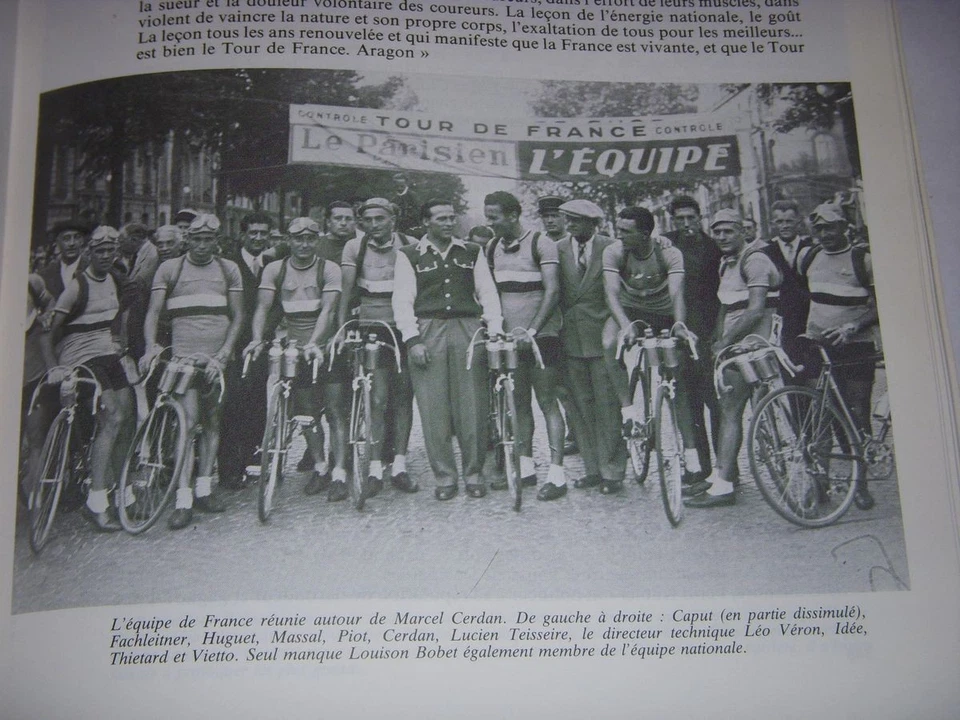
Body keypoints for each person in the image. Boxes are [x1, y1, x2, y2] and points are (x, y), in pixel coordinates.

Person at [392, 199, 503, 500]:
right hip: (428, 330)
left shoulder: (471, 251)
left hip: (467, 328)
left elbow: (488, 293)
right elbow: (402, 300)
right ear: (425, 222)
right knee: (433, 406)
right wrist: (412, 340)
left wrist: (494, 332)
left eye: (451, 218)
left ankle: (474, 473)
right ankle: (445, 477)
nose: (448, 223)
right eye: (440, 218)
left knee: (473, 405)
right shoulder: (409, 255)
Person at [141, 214, 245, 529]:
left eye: (208, 240)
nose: (202, 245)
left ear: (217, 241)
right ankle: (183, 498)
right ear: (188, 241)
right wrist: (150, 347)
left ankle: (204, 488)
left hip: (216, 360)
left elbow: (238, 316)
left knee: (213, 422)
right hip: (183, 359)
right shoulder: (170, 269)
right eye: (196, 239)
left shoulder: (229, 269)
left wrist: (225, 354)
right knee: (187, 425)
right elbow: (153, 312)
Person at [37, 226, 136, 531]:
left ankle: (123, 493)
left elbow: (117, 317)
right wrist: (54, 368)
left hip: (106, 353)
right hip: (78, 357)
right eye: (100, 251)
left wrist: (120, 341)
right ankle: (96, 502)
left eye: (111, 250)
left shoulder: (115, 280)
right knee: (112, 418)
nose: (106, 256)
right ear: (89, 253)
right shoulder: (78, 286)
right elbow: (46, 334)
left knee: (131, 416)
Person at [245, 217, 349, 500]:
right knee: (306, 414)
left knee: (336, 411)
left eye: (310, 239)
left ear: (317, 241)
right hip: (294, 348)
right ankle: (320, 467)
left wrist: (315, 343)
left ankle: (340, 473)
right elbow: (262, 308)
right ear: (288, 241)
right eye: (298, 239)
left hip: (324, 347)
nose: (304, 244)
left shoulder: (329, 269)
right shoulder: (274, 270)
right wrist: (256, 339)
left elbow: (328, 311)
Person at [685, 209, 781, 509]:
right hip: (734, 349)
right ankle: (722, 478)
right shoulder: (727, 263)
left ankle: (730, 481)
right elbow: (726, 306)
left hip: (754, 346)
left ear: (743, 231)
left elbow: (754, 310)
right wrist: (717, 337)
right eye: (717, 232)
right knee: (730, 410)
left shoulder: (756, 260)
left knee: (751, 411)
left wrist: (725, 341)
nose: (722, 237)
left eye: (728, 231)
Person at [601, 206, 702, 485]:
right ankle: (628, 413)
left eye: (626, 231)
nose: (619, 235)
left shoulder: (669, 253)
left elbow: (677, 293)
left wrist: (679, 324)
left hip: (663, 311)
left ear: (645, 233)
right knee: (609, 341)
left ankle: (692, 458)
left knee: (675, 379)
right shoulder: (615, 251)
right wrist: (625, 326)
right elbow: (611, 293)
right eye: (618, 229)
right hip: (630, 310)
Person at [484, 191, 567, 501]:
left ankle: (557, 475)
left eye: (494, 217)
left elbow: (553, 290)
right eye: (487, 216)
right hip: (509, 340)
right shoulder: (492, 247)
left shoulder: (540, 243)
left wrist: (532, 330)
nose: (489, 223)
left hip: (541, 336)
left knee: (546, 401)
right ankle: (526, 468)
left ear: (513, 215)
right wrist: (498, 328)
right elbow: (491, 293)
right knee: (517, 403)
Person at [796, 202, 880, 510]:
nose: (824, 233)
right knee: (817, 417)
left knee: (857, 414)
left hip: (856, 347)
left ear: (844, 227)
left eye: (830, 227)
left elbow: (881, 303)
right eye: (818, 228)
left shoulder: (863, 259)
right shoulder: (809, 257)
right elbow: (799, 299)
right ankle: (820, 485)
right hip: (819, 346)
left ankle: (860, 484)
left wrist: (853, 326)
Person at [339, 198, 418, 495]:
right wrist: (343, 330)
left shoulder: (411, 244)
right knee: (377, 399)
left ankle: (399, 465)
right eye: (368, 220)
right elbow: (346, 294)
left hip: (402, 329)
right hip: (370, 329)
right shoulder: (354, 247)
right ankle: (374, 468)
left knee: (403, 397)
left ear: (393, 220)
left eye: (380, 219)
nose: (373, 225)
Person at [556, 199, 626, 494]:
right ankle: (593, 469)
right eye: (567, 220)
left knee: (607, 405)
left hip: (601, 337)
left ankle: (613, 471)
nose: (569, 226)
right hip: (570, 338)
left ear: (592, 224)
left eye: (575, 221)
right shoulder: (557, 249)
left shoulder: (613, 247)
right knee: (579, 406)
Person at [662, 195, 723, 484]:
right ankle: (699, 468)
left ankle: (725, 469)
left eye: (691, 218)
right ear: (673, 220)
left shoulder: (714, 248)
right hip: (678, 330)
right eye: (680, 219)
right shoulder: (665, 244)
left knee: (715, 400)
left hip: (708, 331)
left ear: (700, 217)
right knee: (687, 401)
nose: (686, 224)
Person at [217, 211, 274, 489]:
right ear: (243, 234)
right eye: (253, 233)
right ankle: (228, 470)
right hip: (235, 343)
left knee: (257, 403)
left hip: (262, 343)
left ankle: (252, 461)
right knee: (231, 405)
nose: (259, 238)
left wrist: (266, 336)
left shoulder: (274, 264)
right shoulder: (229, 265)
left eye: (264, 233)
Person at [765, 199, 815, 353]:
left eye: (789, 221)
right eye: (779, 221)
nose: (785, 225)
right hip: (781, 320)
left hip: (809, 318)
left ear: (798, 222)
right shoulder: (766, 252)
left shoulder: (811, 250)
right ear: (773, 224)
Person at [38, 219, 89, 300]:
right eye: (66, 238)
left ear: (82, 241)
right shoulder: (46, 274)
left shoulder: (91, 269)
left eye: (76, 237)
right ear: (57, 242)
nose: (72, 243)